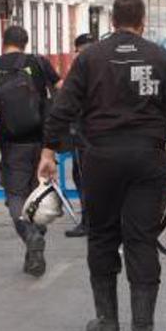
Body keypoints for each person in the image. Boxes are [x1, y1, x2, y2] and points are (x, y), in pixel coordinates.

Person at [39, 0, 166, 331]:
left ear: (111, 22)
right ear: (142, 21)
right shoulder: (161, 58)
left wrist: (48, 151)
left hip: (100, 160)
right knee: (141, 240)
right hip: (147, 160)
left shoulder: (90, 59)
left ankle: (108, 322)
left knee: (101, 236)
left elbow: (62, 108)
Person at [0, 24, 60, 277]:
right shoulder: (39, 63)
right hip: (43, 144)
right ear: (25, 42)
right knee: (40, 196)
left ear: (4, 42)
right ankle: (34, 247)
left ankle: (31, 237)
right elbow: (62, 89)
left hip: (12, 144)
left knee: (15, 196)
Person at [65, 32, 96, 239]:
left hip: (86, 133)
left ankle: (89, 222)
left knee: (84, 178)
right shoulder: (109, 64)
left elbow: (69, 99)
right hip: (106, 132)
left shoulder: (81, 68)